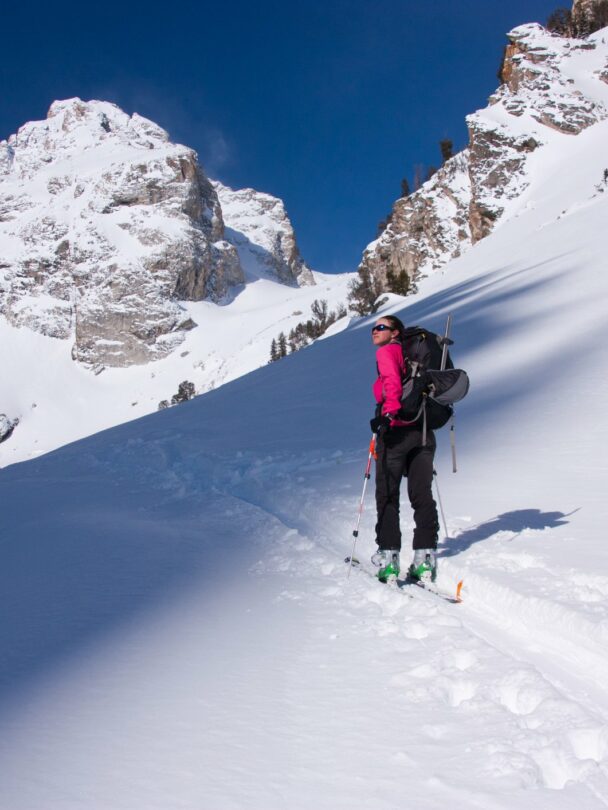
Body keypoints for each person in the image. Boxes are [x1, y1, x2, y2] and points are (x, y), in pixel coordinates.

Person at [369, 315, 439, 583]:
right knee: (422, 494)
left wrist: (388, 414)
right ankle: (425, 559)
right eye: (373, 328)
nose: (375, 331)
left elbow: (391, 383)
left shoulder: (388, 352)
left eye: (381, 327)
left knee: (387, 494)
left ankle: (388, 558)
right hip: (423, 431)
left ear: (396, 332)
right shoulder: (416, 359)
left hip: (396, 431)